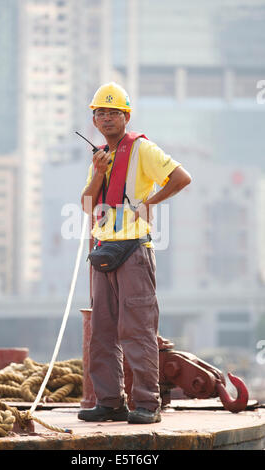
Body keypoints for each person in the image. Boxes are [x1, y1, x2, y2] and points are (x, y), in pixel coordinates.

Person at [78, 82, 191, 424]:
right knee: (102, 330)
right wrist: (98, 172)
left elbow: (182, 177)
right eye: (101, 113)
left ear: (126, 116)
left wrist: (150, 202)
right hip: (103, 252)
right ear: (94, 120)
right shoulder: (99, 156)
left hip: (134, 252)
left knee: (137, 328)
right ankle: (110, 402)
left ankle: (147, 404)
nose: (107, 118)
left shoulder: (142, 150)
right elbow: (87, 205)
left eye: (114, 112)